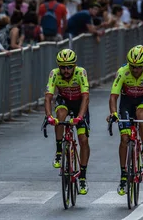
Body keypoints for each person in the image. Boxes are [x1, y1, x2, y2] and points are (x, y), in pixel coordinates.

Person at [107, 45, 143, 196]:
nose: (135, 70)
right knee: (124, 139)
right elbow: (113, 96)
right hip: (127, 102)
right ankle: (124, 175)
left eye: (138, 67)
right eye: (133, 66)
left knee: (142, 115)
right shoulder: (122, 72)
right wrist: (113, 113)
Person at [44, 48, 90, 195]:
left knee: (83, 140)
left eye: (69, 66)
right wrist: (48, 116)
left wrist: (80, 117)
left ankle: (82, 176)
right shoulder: (54, 74)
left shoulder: (81, 72)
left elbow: (85, 97)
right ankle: (59, 151)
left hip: (79, 105)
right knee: (60, 116)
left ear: (74, 66)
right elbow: (48, 97)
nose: (66, 70)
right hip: (64, 101)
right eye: (63, 67)